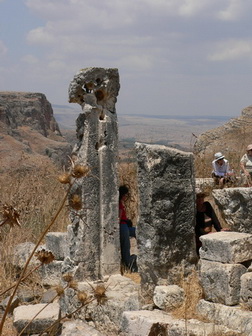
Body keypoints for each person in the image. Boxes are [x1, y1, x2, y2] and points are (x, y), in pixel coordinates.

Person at [195, 190, 229, 254]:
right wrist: (206, 234)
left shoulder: (207, 205)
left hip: (210, 234)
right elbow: (196, 227)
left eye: (201, 197)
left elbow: (214, 219)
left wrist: (220, 229)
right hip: (199, 237)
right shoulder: (194, 210)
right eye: (198, 197)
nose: (200, 199)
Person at [119, 185, 137, 272]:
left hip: (124, 225)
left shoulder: (121, 203)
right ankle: (127, 262)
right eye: (126, 195)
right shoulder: (119, 204)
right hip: (123, 227)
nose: (126, 197)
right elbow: (118, 218)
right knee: (126, 245)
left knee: (136, 231)